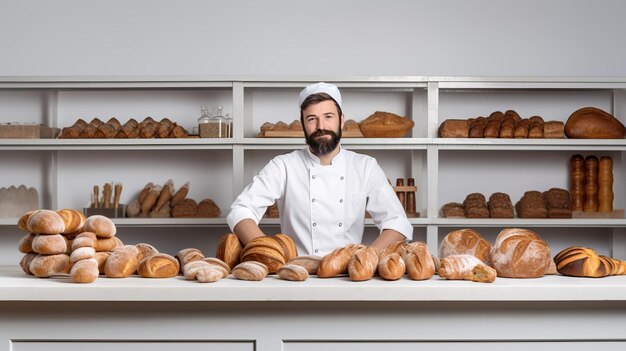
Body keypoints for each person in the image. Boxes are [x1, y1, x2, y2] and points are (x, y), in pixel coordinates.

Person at [226, 82, 413, 256]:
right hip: (297, 274)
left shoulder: (365, 166)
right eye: (312, 119)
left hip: (349, 275)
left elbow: (397, 223)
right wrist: (269, 252)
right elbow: (241, 211)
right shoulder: (283, 166)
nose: (321, 126)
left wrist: (367, 257)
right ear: (303, 125)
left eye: (328, 117)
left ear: (341, 120)